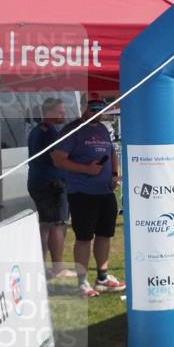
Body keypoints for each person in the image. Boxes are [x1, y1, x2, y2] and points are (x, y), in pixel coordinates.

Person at [52, 97, 126, 298]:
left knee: (105, 234)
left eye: (100, 108)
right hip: (82, 193)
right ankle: (81, 282)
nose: (97, 112)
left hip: (105, 191)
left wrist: (113, 175)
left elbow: (112, 153)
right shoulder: (72, 129)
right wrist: (86, 169)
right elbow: (58, 158)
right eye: (93, 108)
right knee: (84, 237)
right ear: (84, 108)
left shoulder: (102, 129)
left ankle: (102, 277)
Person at [27, 97, 75, 280]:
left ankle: (42, 267)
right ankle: (58, 268)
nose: (64, 115)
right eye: (60, 112)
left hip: (38, 181)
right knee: (57, 224)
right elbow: (60, 157)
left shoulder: (37, 130)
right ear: (49, 113)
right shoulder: (50, 132)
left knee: (46, 225)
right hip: (51, 184)